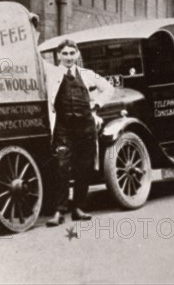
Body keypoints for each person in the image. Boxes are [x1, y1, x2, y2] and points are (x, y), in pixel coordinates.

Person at [45, 39, 114, 226]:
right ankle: (59, 211)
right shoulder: (52, 73)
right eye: (65, 54)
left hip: (85, 126)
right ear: (59, 55)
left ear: (77, 55)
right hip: (63, 126)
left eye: (71, 53)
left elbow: (108, 88)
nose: (68, 57)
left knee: (83, 167)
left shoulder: (87, 74)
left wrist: (96, 103)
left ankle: (78, 208)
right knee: (61, 166)